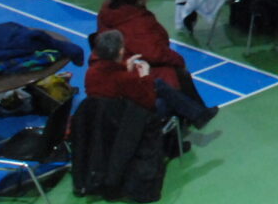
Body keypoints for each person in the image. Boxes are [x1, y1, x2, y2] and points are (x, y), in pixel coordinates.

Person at [95, 0, 203, 102]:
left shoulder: (108, 9)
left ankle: (196, 111)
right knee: (180, 74)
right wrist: (179, 60)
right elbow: (154, 53)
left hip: (112, 61)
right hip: (132, 66)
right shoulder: (139, 21)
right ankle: (196, 112)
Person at [86, 29, 217, 130]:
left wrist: (126, 68)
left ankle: (198, 115)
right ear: (120, 52)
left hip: (106, 117)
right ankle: (193, 120)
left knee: (159, 84)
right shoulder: (125, 78)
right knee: (165, 101)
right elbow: (147, 102)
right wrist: (145, 76)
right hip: (126, 119)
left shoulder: (91, 72)